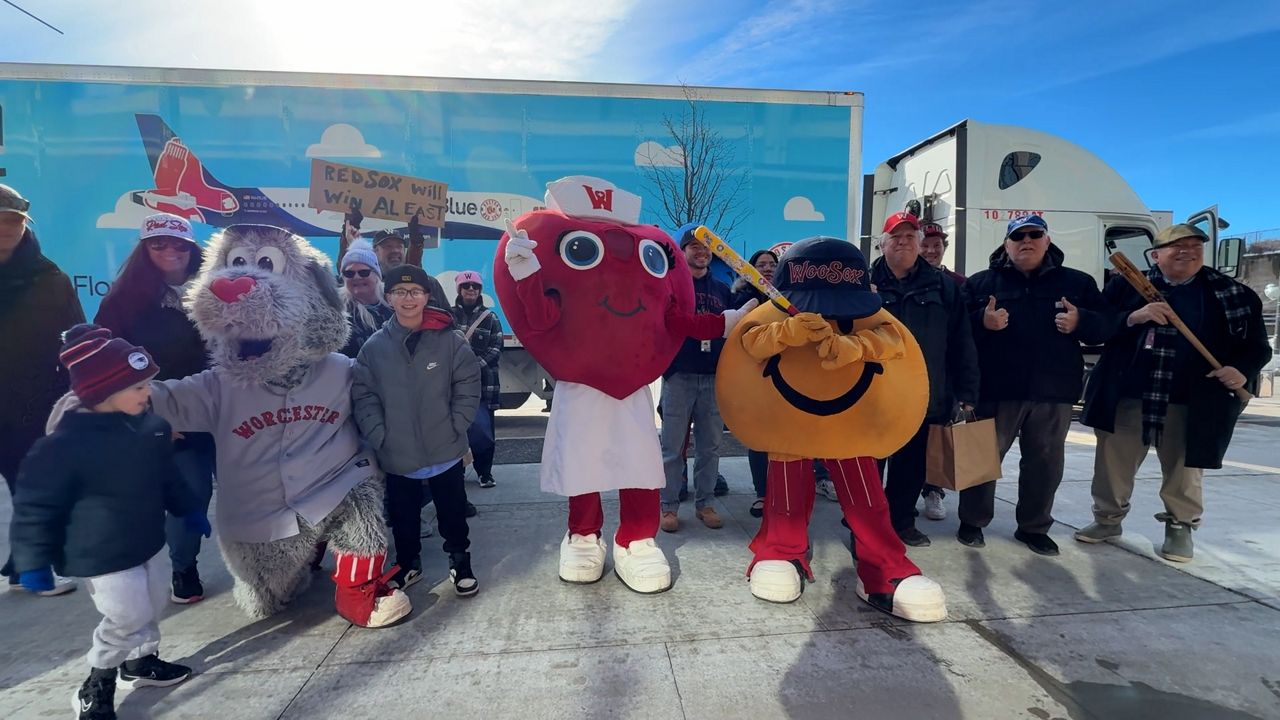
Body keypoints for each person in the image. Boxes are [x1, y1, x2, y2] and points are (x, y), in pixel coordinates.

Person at [9, 324, 207, 719]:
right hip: (98, 551)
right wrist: (31, 561)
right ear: (102, 392)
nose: (147, 393)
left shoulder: (149, 429)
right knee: (127, 614)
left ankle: (139, 662)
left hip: (146, 539)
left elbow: (166, 475)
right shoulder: (64, 444)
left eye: (147, 385)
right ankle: (97, 679)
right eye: (137, 388)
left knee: (151, 604)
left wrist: (188, 508)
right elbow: (36, 505)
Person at [1077, 224, 1271, 561]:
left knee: (1184, 470)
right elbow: (1095, 328)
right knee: (1112, 466)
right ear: (1156, 255)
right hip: (1129, 395)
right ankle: (1107, 520)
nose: (1188, 251)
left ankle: (1180, 526)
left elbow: (1257, 347)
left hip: (1192, 399)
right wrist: (1133, 317)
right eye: (1176, 246)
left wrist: (1240, 369)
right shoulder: (1125, 288)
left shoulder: (1230, 293)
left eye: (1195, 245)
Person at [959, 215, 1110, 555]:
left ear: (1047, 240)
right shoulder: (981, 283)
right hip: (995, 390)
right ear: (1006, 244)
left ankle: (1033, 527)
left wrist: (1080, 321)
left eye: (1034, 235)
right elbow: (957, 331)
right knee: (982, 460)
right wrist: (981, 322)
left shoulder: (1078, 283)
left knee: (1045, 463)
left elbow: (1106, 327)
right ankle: (972, 522)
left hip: (1053, 392)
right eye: (1018, 236)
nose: (1026, 241)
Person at [95, 213, 215, 604]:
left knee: (253, 489)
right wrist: (146, 417)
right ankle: (184, 568)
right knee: (190, 492)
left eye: (179, 244)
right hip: (169, 414)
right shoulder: (123, 301)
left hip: (226, 406)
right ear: (144, 248)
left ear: (192, 248)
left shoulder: (216, 289)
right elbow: (105, 365)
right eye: (158, 243)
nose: (170, 251)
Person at [352, 265, 482, 595]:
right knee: (403, 516)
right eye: (400, 292)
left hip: (445, 446)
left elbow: (467, 383)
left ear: (426, 296)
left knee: (452, 511)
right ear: (388, 297)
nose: (408, 299)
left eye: (415, 292)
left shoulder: (449, 341)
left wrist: (457, 424)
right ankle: (409, 565)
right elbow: (363, 394)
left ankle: (459, 561)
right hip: (397, 450)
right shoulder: (375, 347)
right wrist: (379, 435)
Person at [870, 212, 979, 547]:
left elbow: (962, 341)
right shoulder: (861, 283)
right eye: (895, 237)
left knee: (911, 466)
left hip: (924, 393)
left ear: (919, 244)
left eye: (909, 237)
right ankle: (866, 523)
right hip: (872, 395)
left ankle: (902, 522)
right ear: (882, 244)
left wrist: (966, 392)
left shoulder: (944, 286)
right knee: (869, 465)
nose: (903, 243)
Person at [0, 183, 84, 594]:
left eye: (13, 222)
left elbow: (77, 338)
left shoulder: (50, 279)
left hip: (31, 403)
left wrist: (79, 392)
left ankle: (35, 567)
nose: (5, 230)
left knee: (31, 485)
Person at [659, 224, 734, 533]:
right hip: (679, 375)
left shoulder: (722, 290)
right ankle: (669, 507)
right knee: (672, 447)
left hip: (713, 377)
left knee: (711, 446)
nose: (702, 251)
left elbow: (734, 331)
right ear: (683, 250)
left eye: (707, 246)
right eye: (695, 246)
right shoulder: (673, 288)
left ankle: (705, 503)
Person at [917, 221, 965, 520]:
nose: (932, 250)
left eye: (938, 245)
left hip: (942, 376)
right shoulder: (897, 280)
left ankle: (934, 491)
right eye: (926, 244)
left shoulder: (958, 283)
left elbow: (964, 335)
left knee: (937, 439)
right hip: (905, 375)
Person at [451, 270, 503, 488]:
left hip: (484, 384)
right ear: (459, 290)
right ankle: (457, 471)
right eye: (466, 286)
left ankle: (485, 473)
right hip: (455, 386)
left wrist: (473, 366)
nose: (470, 290)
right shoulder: (449, 316)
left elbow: (496, 347)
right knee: (456, 431)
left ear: (480, 291)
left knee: (485, 431)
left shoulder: (490, 317)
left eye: (475, 286)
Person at [337, 240, 393, 359]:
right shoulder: (335, 310)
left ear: (377, 275)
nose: (356, 277)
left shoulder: (396, 304)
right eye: (349, 273)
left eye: (364, 272)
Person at [919, 222, 967, 287]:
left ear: (944, 247)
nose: (931, 251)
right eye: (925, 246)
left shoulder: (960, 282)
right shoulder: (905, 281)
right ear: (915, 248)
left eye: (937, 245)